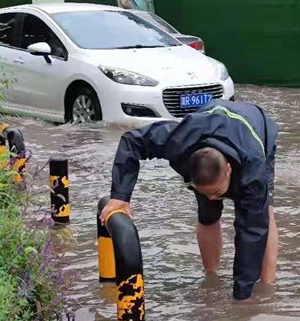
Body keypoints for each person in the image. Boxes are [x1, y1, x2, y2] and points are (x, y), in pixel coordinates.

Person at [99, 99, 279, 301]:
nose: (213, 197)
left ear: (229, 170)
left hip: (254, 130)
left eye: (216, 191)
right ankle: (211, 276)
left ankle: (267, 287)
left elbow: (252, 233)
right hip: (204, 130)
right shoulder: (179, 140)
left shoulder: (252, 167)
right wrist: (120, 197)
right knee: (207, 215)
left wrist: (242, 297)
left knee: (263, 215)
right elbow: (132, 141)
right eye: (207, 192)